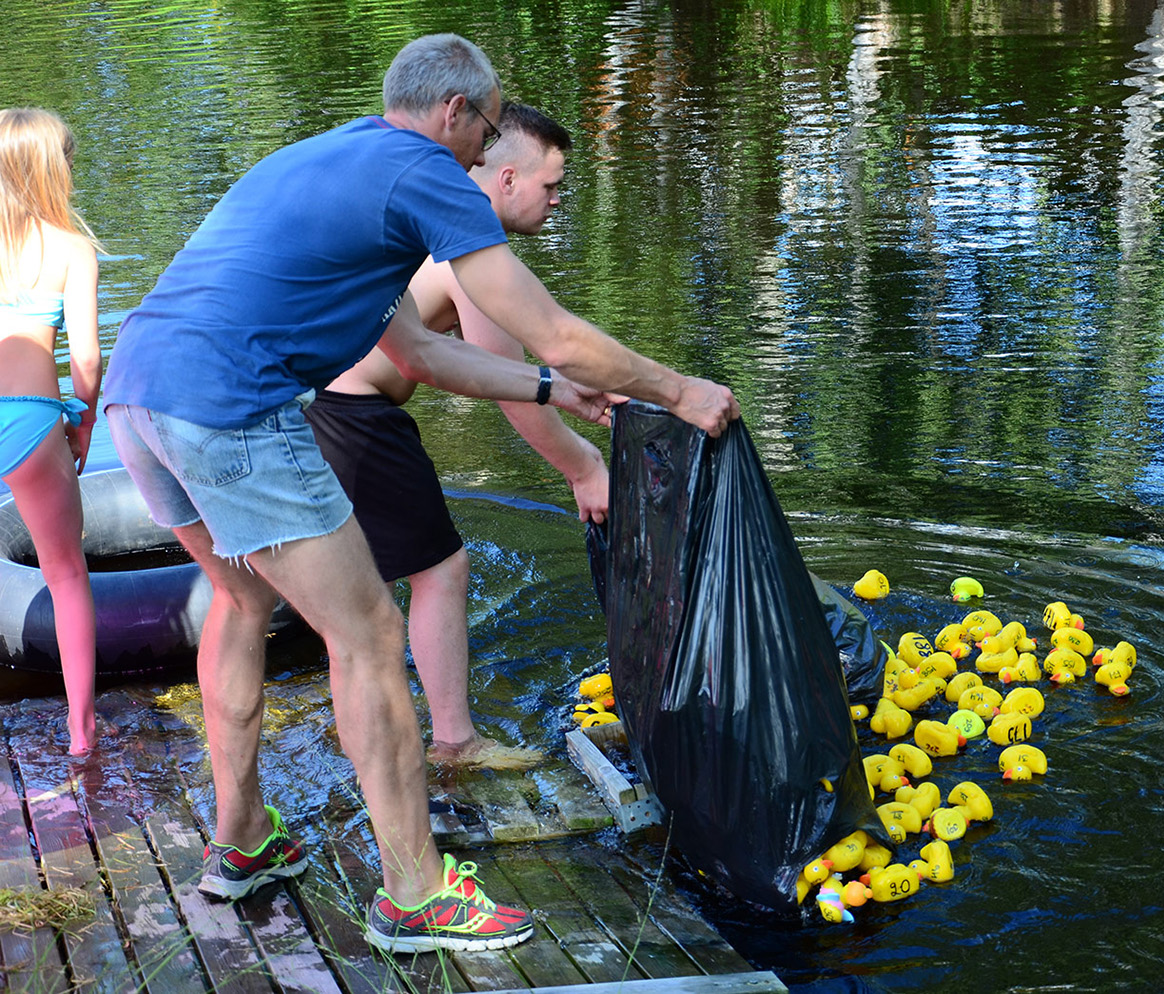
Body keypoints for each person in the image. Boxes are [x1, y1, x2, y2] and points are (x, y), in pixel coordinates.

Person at [100, 34, 738, 954]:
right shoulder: (427, 171)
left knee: (241, 601)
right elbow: (551, 330)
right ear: (455, 113)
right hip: (231, 402)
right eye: (486, 127)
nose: (487, 150)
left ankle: (239, 842)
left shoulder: (338, 161)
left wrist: (560, 396)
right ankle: (415, 893)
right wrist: (679, 391)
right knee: (368, 637)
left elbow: (425, 353)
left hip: (140, 393)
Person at [305, 101, 603, 769]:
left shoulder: (428, 215)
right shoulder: (465, 247)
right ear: (505, 181)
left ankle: (349, 722)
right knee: (441, 569)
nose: (557, 202)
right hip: (354, 413)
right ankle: (455, 742)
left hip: (312, 403)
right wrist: (583, 469)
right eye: (551, 186)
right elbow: (507, 384)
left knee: (366, 584)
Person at [0, 108, 102, 756]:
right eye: (66, 155)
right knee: (65, 573)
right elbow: (87, 359)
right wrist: (84, 422)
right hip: (33, 418)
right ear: (46, 169)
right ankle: (80, 735)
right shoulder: (70, 248)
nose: (73, 166)